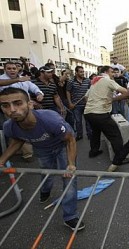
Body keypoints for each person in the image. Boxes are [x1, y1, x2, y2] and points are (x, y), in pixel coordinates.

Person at [0, 87, 84, 231]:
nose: (12, 110)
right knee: (46, 174)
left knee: (69, 180)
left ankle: (70, 217)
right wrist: (2, 160)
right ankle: (45, 191)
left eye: (18, 103)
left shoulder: (50, 120)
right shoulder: (9, 126)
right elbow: (17, 141)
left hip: (62, 146)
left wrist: (71, 165)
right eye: (5, 105)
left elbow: (70, 140)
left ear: (29, 104)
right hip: (42, 149)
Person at [83, 66, 129, 166]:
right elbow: (126, 92)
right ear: (105, 72)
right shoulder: (108, 80)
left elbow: (86, 97)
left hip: (88, 113)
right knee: (115, 134)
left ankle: (94, 151)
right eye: (112, 72)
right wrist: (112, 100)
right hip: (100, 113)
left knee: (95, 132)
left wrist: (94, 104)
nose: (113, 74)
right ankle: (120, 158)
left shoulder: (94, 81)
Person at [66, 66, 92, 141]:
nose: (82, 73)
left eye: (83, 71)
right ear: (76, 72)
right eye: (80, 72)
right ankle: (79, 135)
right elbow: (68, 91)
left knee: (88, 121)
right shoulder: (71, 81)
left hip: (86, 104)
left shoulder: (87, 81)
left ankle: (89, 134)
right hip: (76, 105)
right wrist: (70, 103)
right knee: (78, 121)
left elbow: (90, 90)